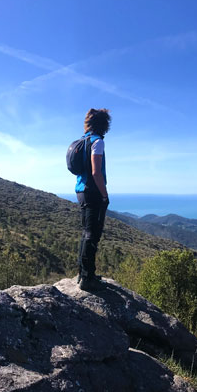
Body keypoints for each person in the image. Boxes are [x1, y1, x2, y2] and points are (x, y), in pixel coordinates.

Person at [75, 108, 111, 291]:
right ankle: (87, 279)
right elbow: (97, 173)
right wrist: (104, 195)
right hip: (93, 191)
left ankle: (83, 272)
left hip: (81, 190)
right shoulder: (97, 142)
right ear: (103, 125)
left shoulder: (83, 141)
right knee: (93, 234)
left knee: (86, 232)